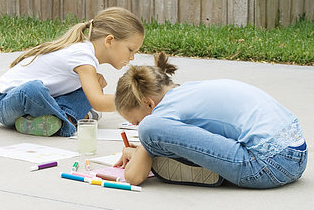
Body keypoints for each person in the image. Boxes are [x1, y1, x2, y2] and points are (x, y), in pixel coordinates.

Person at [114, 52, 308, 188]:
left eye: (136, 121)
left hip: (267, 165)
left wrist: (143, 147)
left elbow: (133, 176)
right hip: (297, 154)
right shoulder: (187, 91)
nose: (136, 126)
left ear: (148, 103)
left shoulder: (164, 111)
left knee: (150, 129)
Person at [0, 7, 145, 137]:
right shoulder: (82, 55)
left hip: (42, 100)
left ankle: (49, 121)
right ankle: (68, 122)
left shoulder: (86, 55)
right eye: (130, 50)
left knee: (92, 88)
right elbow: (98, 102)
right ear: (109, 40)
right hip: (5, 102)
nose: (132, 57)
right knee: (33, 89)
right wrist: (136, 101)